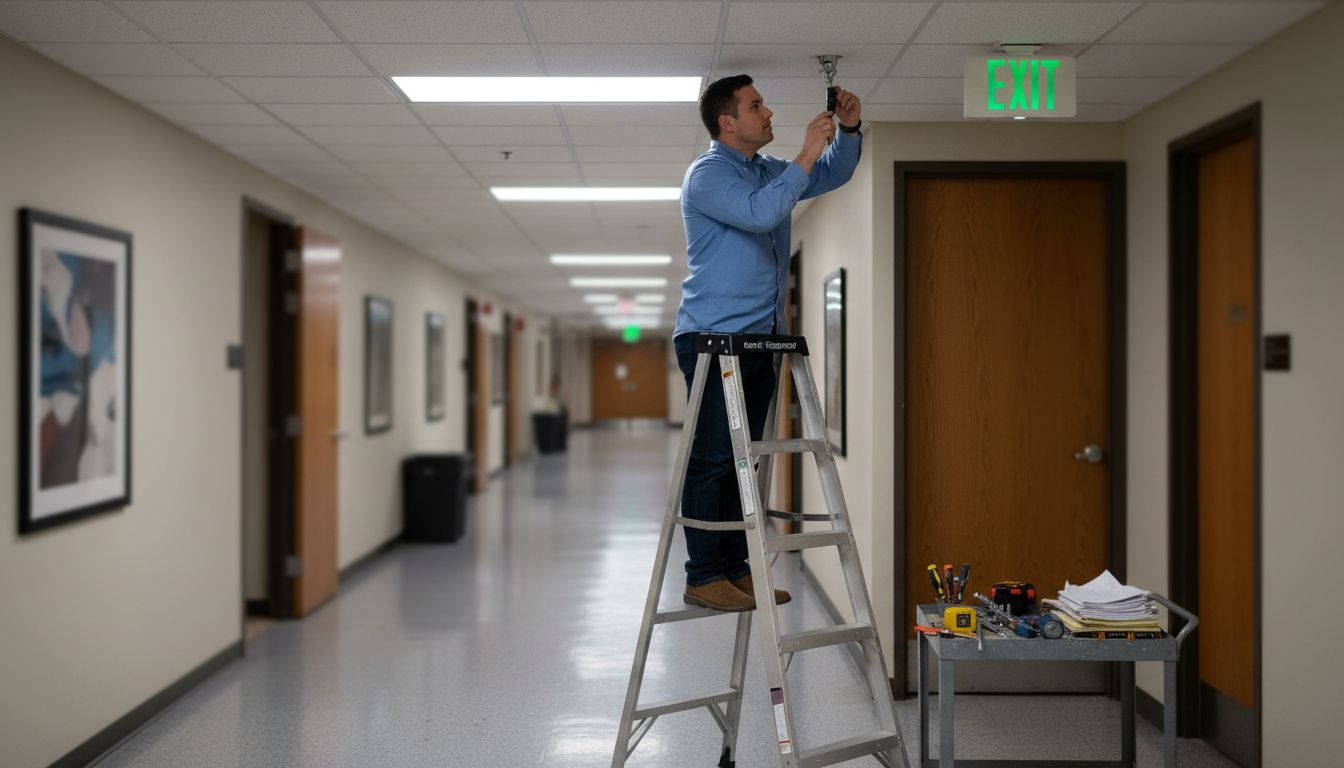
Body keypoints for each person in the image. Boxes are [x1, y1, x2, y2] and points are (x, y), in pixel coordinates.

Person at [673, 74, 863, 612]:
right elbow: (762, 213)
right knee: (714, 457)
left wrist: (847, 131)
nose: (769, 111)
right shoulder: (707, 176)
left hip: (759, 340)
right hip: (712, 338)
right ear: (727, 122)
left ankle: (735, 570)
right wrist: (806, 152)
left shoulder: (769, 171)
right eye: (757, 106)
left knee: (743, 460)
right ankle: (703, 574)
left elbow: (833, 173)